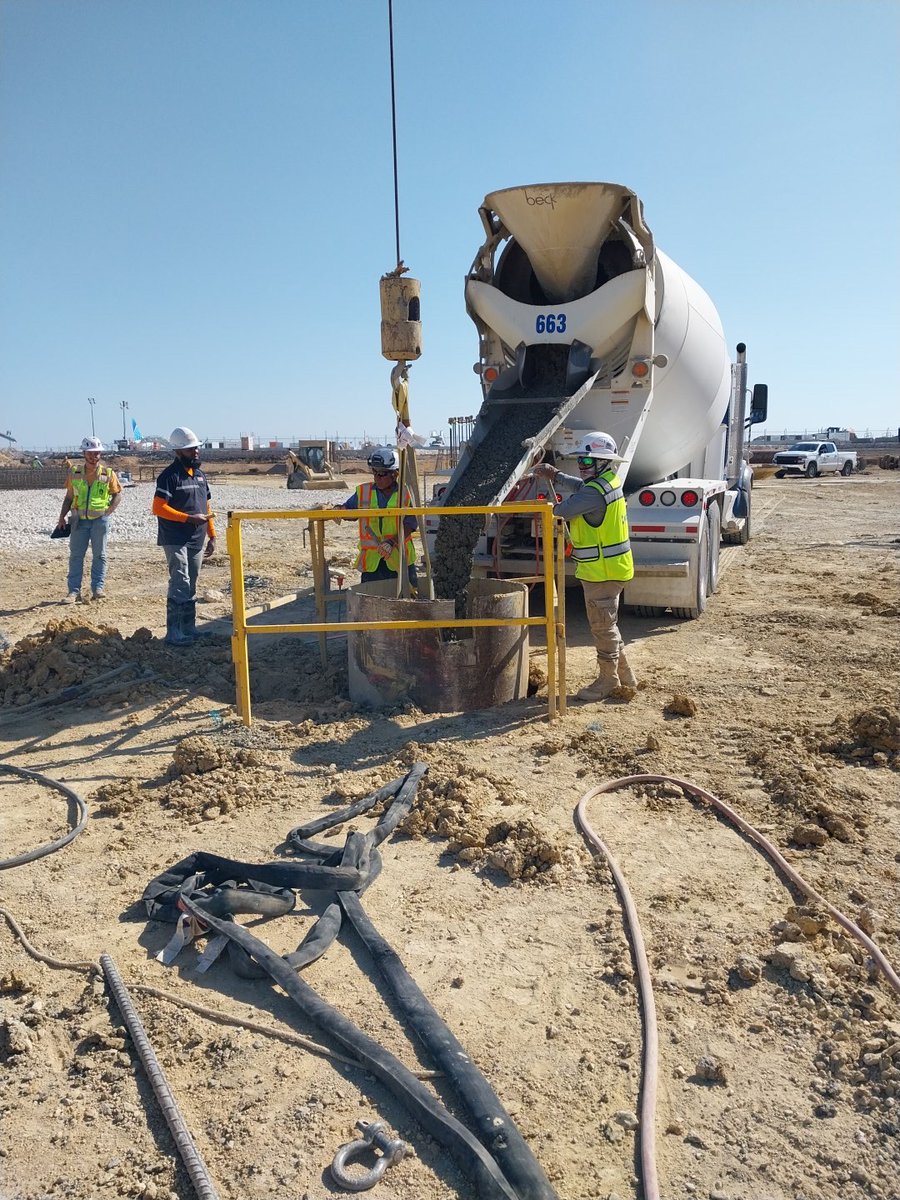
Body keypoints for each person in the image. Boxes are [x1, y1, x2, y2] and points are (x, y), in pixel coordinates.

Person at [532, 431, 637, 701]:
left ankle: (608, 681)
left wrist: (546, 507)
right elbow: (582, 487)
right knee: (608, 624)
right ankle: (625, 677)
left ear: (603, 462)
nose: (582, 465)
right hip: (612, 568)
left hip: (602, 571)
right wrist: (556, 475)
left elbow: (563, 509)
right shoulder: (606, 482)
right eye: (580, 460)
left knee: (603, 627)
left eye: (588, 462)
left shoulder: (594, 494)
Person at [152, 427, 216, 646]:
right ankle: (174, 632)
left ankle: (190, 628)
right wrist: (187, 519)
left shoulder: (199, 475)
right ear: (178, 451)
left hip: (196, 537)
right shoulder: (169, 476)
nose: (196, 452)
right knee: (180, 580)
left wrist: (212, 533)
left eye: (196, 448)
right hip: (175, 537)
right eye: (190, 450)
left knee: (192, 582)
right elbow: (158, 508)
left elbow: (206, 505)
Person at [339, 446, 418, 588]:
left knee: (407, 601)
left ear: (395, 474)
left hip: (399, 559)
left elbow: (411, 524)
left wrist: (392, 542)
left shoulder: (407, 494)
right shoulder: (364, 491)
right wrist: (338, 511)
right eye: (374, 473)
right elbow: (350, 511)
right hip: (373, 563)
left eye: (381, 474)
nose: (376, 478)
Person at [56, 436, 122, 603]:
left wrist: (109, 510)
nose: (95, 456)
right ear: (84, 453)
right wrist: (62, 516)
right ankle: (73, 592)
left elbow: (117, 494)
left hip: (100, 521)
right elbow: (69, 496)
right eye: (91, 453)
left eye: (97, 453)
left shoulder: (108, 474)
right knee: (76, 556)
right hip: (79, 521)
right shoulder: (74, 473)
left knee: (100, 555)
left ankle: (98, 589)